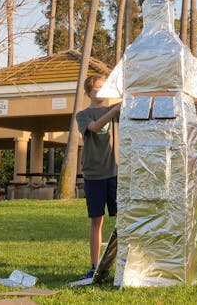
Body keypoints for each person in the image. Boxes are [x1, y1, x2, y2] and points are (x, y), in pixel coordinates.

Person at [75, 74, 121, 282]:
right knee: (97, 221)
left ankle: (123, 264)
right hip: (94, 173)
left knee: (123, 219)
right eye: (97, 88)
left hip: (115, 172)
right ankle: (95, 266)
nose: (101, 92)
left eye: (104, 88)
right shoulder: (83, 115)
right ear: (88, 91)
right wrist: (114, 110)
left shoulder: (119, 112)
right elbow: (93, 128)